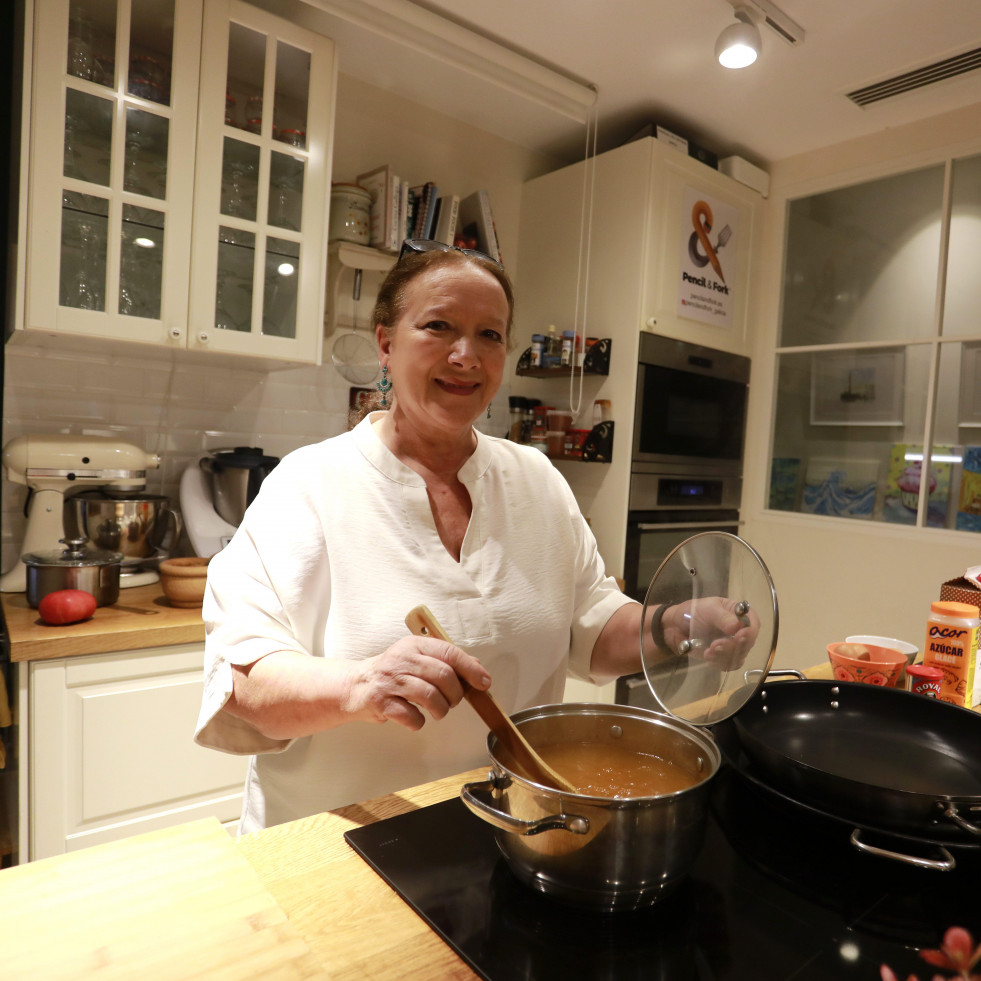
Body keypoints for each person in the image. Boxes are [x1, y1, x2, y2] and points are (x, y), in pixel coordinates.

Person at [194, 239, 756, 832]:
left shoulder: (535, 479)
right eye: (439, 326)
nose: (466, 355)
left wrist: (673, 625)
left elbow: (591, 624)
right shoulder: (308, 483)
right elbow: (244, 684)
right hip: (338, 837)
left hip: (511, 824)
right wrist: (361, 684)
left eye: (490, 335)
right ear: (386, 342)